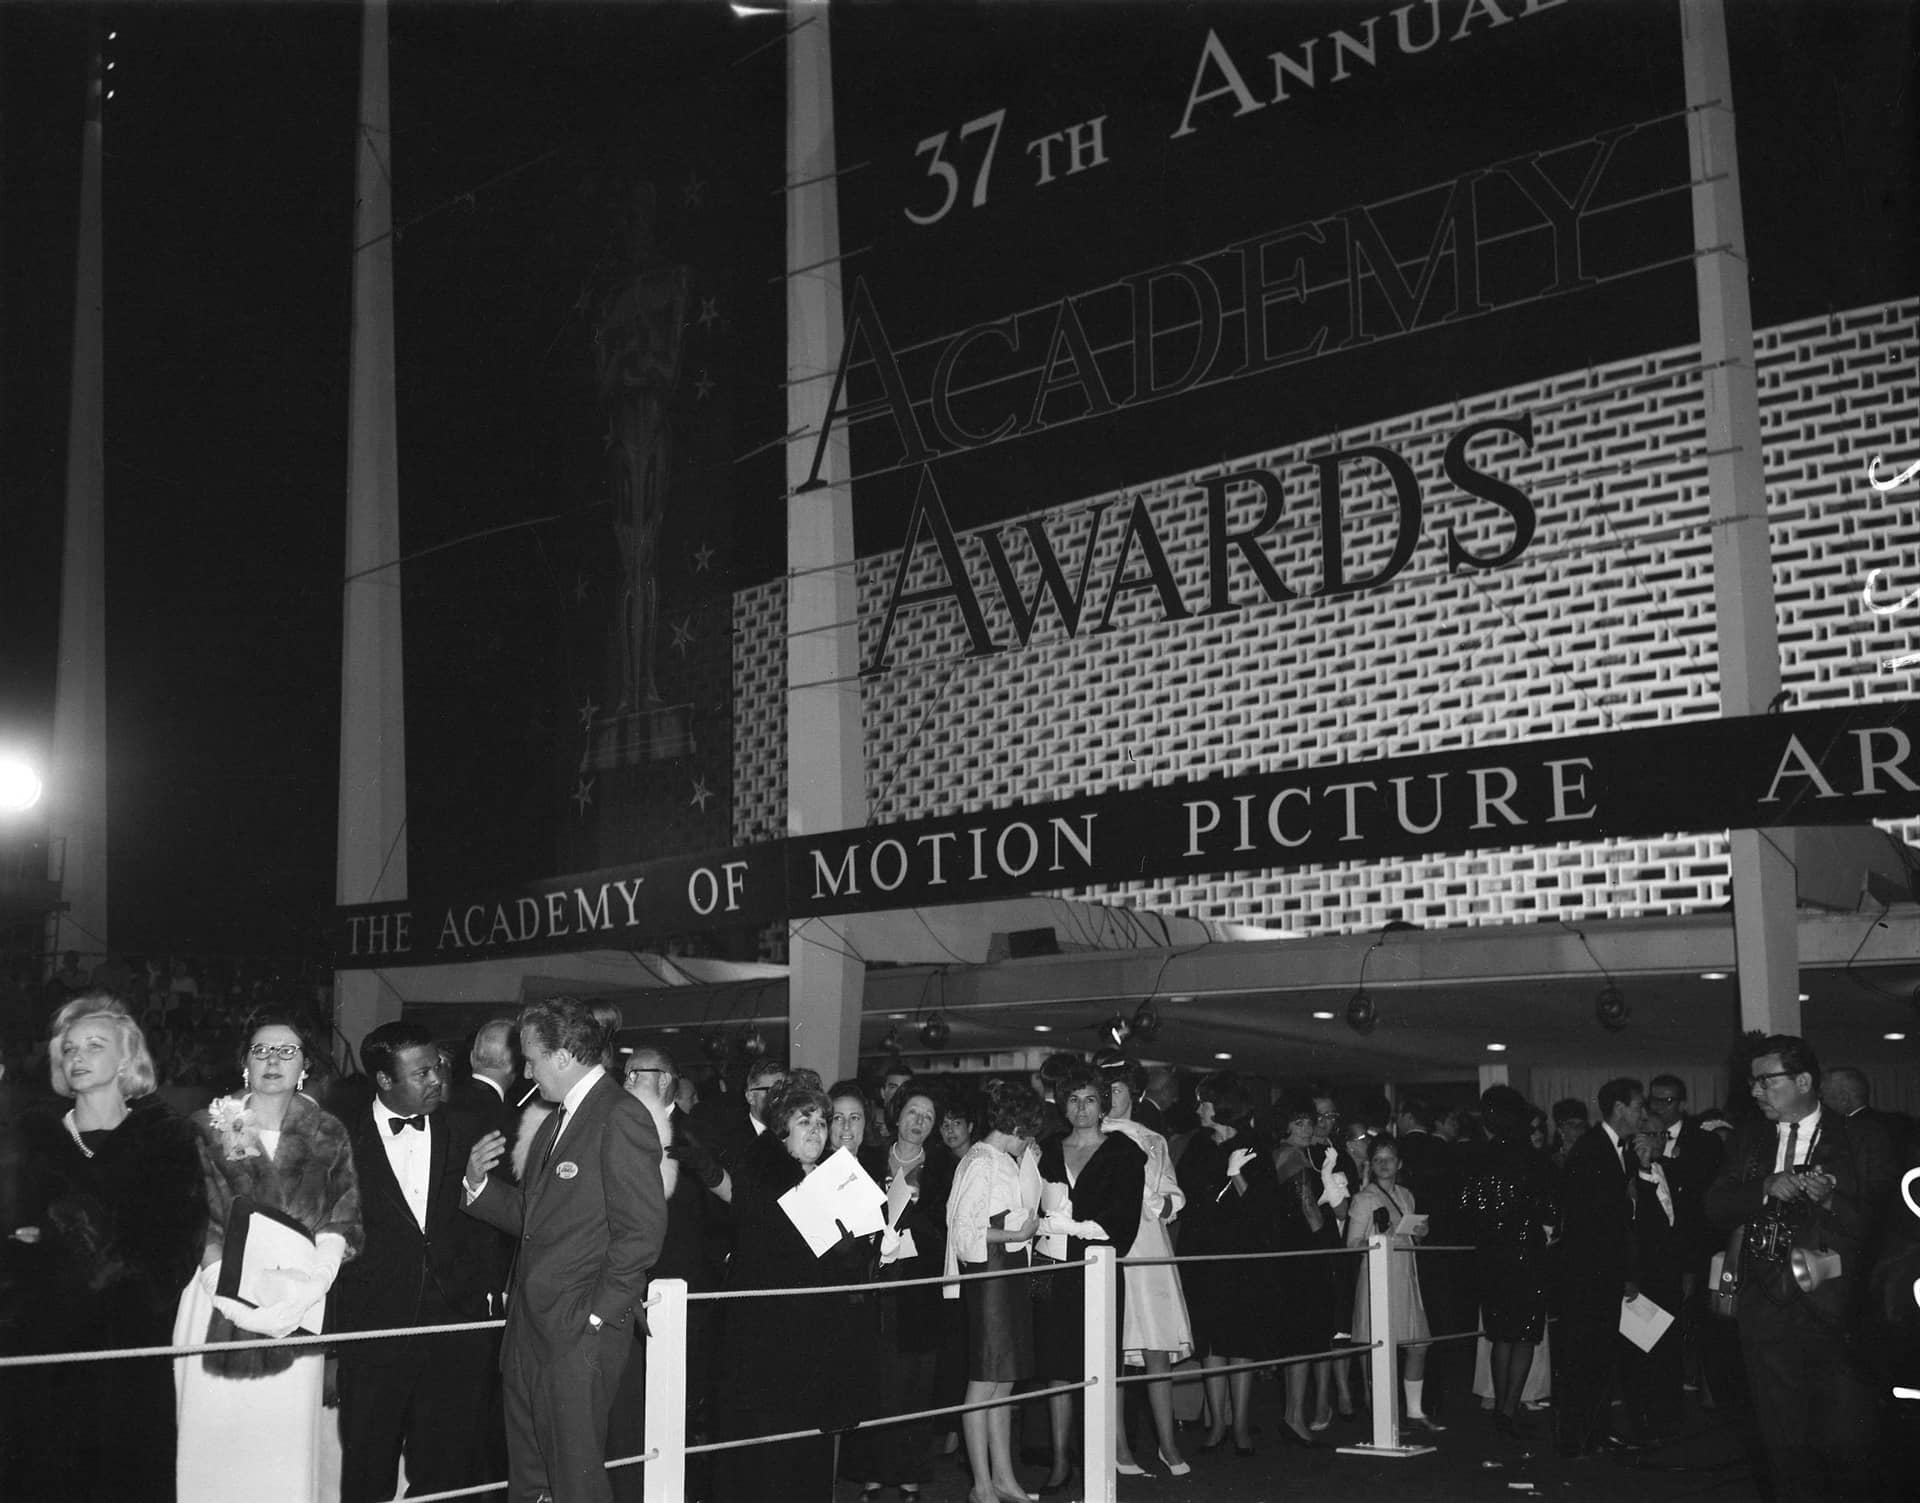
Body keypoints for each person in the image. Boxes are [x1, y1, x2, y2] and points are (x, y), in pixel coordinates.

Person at [461, 997, 667, 1503]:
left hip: (577, 1336)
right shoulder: (557, 1121)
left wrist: (595, 1317)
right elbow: (538, 1220)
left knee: (575, 1480)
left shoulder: (620, 1116)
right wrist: (478, 1188)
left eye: (531, 1058)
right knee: (531, 1479)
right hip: (532, 1331)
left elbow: (642, 1233)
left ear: (563, 1056)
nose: (524, 1069)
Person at [6, 997, 204, 1503]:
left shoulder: (167, 1136)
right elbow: (14, 1233)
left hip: (129, 1342)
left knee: (126, 1472)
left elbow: (177, 1242)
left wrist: (102, 1266)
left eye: (95, 1045)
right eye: (69, 1048)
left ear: (126, 1059)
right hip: (41, 1340)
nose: (77, 1055)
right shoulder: (33, 1136)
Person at [174, 1013, 363, 1503]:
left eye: (287, 1051)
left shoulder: (329, 1132)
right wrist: (230, 1293)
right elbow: (191, 1217)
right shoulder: (208, 1126)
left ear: (305, 1065)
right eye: (261, 1050)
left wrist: (315, 1282)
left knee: (280, 1448)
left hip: (294, 1308)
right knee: (214, 1440)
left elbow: (342, 1217)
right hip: (217, 1302)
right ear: (244, 1064)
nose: (273, 1060)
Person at [1706, 1035, 1897, 1502]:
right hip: (1765, 1313)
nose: (1755, 1091)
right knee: (1783, 1447)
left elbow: (1889, 1224)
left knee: (1849, 1447)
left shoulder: (1862, 1137)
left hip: (1837, 1315)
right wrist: (1766, 1186)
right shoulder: (1749, 1138)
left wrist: (1829, 1198)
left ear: (1804, 1080)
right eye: (1753, 1082)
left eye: (1765, 1081)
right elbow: (1714, 1206)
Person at [331, 1021, 497, 1503]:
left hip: (452, 1325)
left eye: (437, 1067)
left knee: (446, 1470)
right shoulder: (341, 1138)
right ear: (384, 1080)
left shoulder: (464, 1128)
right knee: (367, 1465)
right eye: (420, 1072)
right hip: (376, 1328)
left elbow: (483, 1223)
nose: (435, 1080)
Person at [716, 1082, 883, 1503]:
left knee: (809, 1448)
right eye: (804, 1121)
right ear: (782, 1130)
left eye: (821, 1122)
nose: (816, 1130)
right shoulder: (764, 1176)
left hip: (816, 1333)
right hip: (770, 1338)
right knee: (768, 1449)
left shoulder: (832, 1175)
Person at [609, 1046, 730, 1503]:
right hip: (626, 1283)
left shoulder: (695, 1136)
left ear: (663, 1081)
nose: (623, 1084)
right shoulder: (616, 1126)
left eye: (632, 1074)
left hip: (679, 1289)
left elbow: (717, 1219)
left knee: (673, 1400)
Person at [1032, 1061, 1147, 1488]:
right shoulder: (1045, 1147)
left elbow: (1125, 1224)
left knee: (1095, 1364)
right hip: (1049, 1269)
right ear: (1063, 1105)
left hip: (1096, 1271)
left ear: (1104, 1106)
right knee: (1055, 1367)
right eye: (1073, 1100)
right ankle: (1060, 1460)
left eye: (1090, 1100)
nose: (1081, 1108)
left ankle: (1095, 1459)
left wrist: (1078, 1229)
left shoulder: (1123, 1152)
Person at [849, 1078, 954, 1501]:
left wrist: (907, 1227)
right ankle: (871, 1476)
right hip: (869, 1286)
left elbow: (943, 1230)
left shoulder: (944, 1167)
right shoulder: (869, 1159)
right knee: (870, 1379)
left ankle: (909, 1478)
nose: (919, 1122)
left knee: (913, 1383)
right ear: (897, 1114)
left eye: (928, 1117)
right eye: (913, 1112)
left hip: (916, 1288)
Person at [945, 1078, 1045, 1503]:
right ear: (1019, 1125)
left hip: (1008, 1274)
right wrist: (1016, 1232)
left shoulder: (996, 1158)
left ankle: (1004, 1479)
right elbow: (965, 1232)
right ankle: (981, 1484)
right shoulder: (981, 1162)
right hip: (990, 1276)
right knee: (984, 1380)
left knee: (1003, 1381)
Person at [1174, 1070, 1277, 1456]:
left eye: (1205, 1101)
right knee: (1211, 1341)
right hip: (1204, 1254)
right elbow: (1188, 1196)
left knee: (1241, 1339)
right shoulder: (1198, 1146)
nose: (1199, 1108)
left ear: (1222, 1106)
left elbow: (1260, 1208)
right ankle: (1216, 1423)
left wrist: (1234, 1175)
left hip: (1241, 1255)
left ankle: (1240, 1423)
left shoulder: (1255, 1146)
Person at [1100, 1060, 1193, 1474]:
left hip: (1151, 1245)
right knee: (1114, 1350)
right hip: (1115, 1246)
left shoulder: (1154, 1139)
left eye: (1116, 1090)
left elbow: (1174, 1193)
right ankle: (1118, 1447)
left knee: (1156, 1345)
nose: (1109, 1098)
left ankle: (1167, 1444)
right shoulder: (1093, 1138)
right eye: (1104, 1091)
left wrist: (1163, 1204)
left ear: (1132, 1094)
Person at [1551, 1076, 1645, 1458]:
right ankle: (1577, 1438)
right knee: (1585, 1357)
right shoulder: (1593, 1150)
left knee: (1600, 1355)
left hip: (1600, 1271)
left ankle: (1597, 1432)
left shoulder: (1611, 1148)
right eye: (1638, 1107)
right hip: (1590, 1274)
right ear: (1619, 1108)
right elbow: (1596, 1221)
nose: (1641, 1115)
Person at [1458, 1084, 1554, 1446]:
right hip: (1529, 1254)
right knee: (1525, 1335)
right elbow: (1550, 1210)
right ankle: (1510, 1409)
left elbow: (1467, 1207)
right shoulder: (1535, 1159)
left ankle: (1501, 1407)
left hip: (1493, 1256)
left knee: (1501, 1334)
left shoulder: (1478, 1158)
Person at [1347, 1135, 1440, 1435]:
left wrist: (1421, 1233)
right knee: (1381, 1348)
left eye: (1389, 1159)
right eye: (1377, 1159)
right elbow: (1351, 1245)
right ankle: (1383, 1415)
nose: (1383, 1164)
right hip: (1379, 1277)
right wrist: (1377, 1235)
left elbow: (1411, 1236)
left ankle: (1414, 1411)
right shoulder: (1364, 1198)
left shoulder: (1406, 1195)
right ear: (1371, 1165)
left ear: (1399, 1163)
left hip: (1406, 1276)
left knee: (1418, 1343)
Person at [1268, 1094, 1340, 1448]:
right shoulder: (1292, 1156)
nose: (1309, 1126)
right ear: (1285, 1126)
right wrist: (1328, 1227)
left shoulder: (1293, 1155)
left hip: (1296, 1257)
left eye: (1309, 1121)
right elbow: (1309, 1212)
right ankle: (1293, 1416)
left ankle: (1294, 1415)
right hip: (1302, 1258)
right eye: (1300, 1122)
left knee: (1304, 1338)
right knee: (1302, 1338)